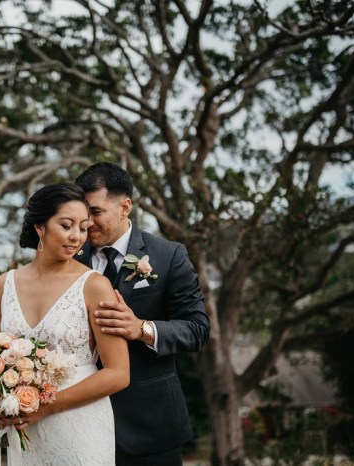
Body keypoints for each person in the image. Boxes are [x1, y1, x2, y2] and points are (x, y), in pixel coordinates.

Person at [74, 162, 210, 466]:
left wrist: (142, 329)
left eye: (95, 213)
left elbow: (198, 329)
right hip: (79, 424)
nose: (86, 224)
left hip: (151, 426)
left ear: (125, 207)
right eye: (82, 215)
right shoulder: (69, 257)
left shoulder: (168, 255)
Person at [0, 182, 130, 465]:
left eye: (83, 227)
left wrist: (50, 406)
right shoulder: (5, 284)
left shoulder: (94, 286)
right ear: (40, 227)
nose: (77, 236)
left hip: (80, 426)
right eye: (66, 225)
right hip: (27, 428)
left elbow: (118, 373)